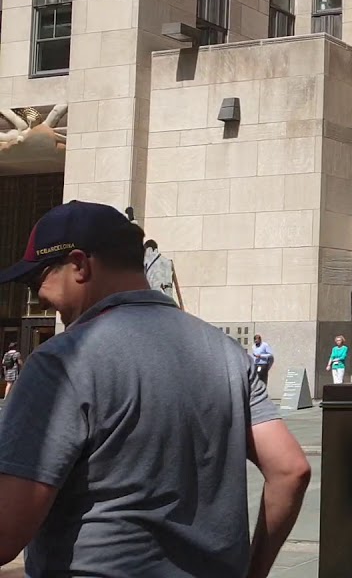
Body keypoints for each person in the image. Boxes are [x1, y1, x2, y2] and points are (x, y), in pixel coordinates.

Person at [0, 201, 311, 576]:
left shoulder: (61, 361)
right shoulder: (227, 353)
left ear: (80, 265)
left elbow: (6, 531)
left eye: (38, 282)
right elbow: (291, 469)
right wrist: (254, 571)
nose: (40, 298)